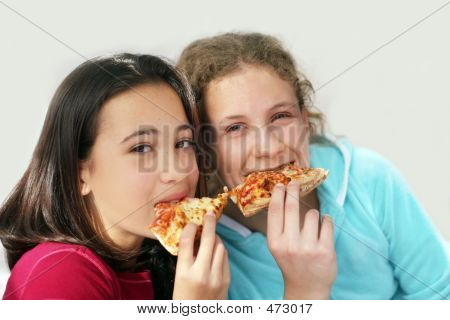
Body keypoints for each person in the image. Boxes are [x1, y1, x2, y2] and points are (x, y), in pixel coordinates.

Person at [177, 32, 450, 299]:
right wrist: (306, 292)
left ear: (304, 121)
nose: (269, 147)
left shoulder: (368, 180)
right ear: (206, 150)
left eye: (280, 116)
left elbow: (441, 293)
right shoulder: (203, 250)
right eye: (236, 128)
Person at [0, 54, 230, 300]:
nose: (176, 171)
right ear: (79, 175)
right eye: (141, 148)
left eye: (183, 142)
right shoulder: (59, 273)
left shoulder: (161, 265)